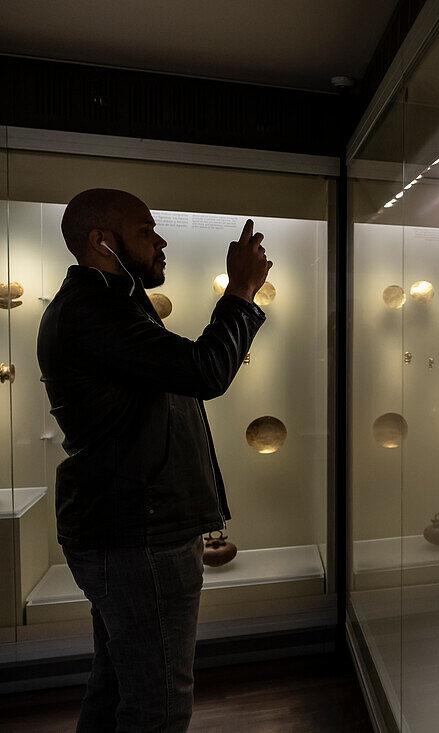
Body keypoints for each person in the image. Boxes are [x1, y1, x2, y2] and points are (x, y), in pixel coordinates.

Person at [37, 188, 272, 732]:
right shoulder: (93, 312)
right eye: (145, 231)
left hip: (127, 530)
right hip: (137, 538)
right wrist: (239, 290)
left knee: (118, 684)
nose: (159, 241)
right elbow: (203, 371)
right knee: (157, 705)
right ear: (102, 242)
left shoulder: (109, 303)